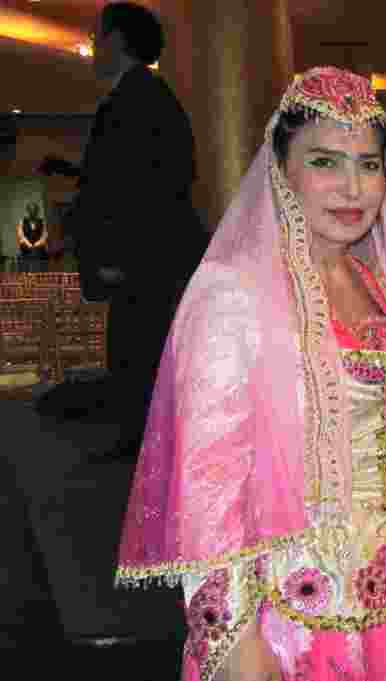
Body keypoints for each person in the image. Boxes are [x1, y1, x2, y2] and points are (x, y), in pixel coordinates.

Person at [115, 68, 386, 681]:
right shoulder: (234, 293)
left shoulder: (378, 284)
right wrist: (237, 637)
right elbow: (209, 485)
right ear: (281, 168)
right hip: (287, 606)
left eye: (369, 165)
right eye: (325, 161)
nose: (353, 187)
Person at [62, 2, 208, 459]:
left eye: (97, 36)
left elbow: (145, 186)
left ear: (119, 41)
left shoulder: (138, 100)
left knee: (138, 355)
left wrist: (116, 257)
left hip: (142, 261)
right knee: (137, 353)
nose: (92, 46)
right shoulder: (145, 96)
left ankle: (146, 456)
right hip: (148, 259)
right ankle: (143, 450)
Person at [16, 203, 49, 272]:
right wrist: (28, 244)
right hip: (26, 251)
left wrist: (37, 244)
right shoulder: (22, 221)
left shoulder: (42, 221)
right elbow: (20, 235)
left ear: (37, 211)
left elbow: (44, 235)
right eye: (30, 210)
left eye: (34, 210)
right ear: (28, 211)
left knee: (40, 270)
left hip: (39, 251)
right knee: (26, 270)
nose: (32, 212)